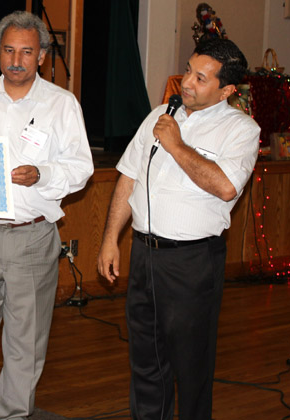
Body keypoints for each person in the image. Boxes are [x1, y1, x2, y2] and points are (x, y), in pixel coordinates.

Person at [98, 39, 260, 419]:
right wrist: (110, 240)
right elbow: (128, 177)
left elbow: (226, 186)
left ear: (226, 90)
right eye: (188, 70)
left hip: (192, 263)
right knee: (146, 362)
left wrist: (175, 144)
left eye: (200, 78)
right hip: (143, 255)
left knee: (191, 369)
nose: (186, 82)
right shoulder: (160, 114)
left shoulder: (241, 130)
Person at [0, 11, 94, 420]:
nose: (16, 60)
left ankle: (12, 416)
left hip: (32, 237)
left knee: (26, 342)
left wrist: (42, 174)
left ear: (42, 56)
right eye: (9, 50)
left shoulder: (61, 104)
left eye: (26, 52)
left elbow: (81, 168)